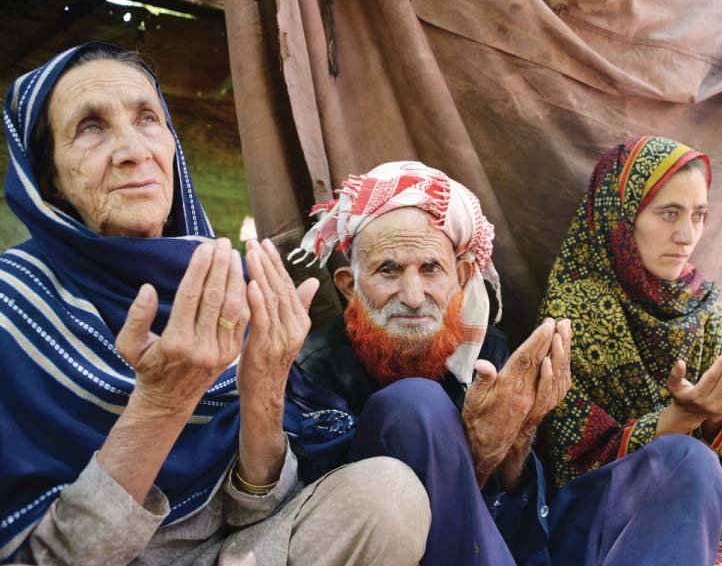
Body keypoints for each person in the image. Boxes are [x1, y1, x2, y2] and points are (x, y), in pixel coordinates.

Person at [0, 43, 430, 565]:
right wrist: (161, 406)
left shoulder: (221, 283)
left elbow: (253, 512)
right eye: (90, 127)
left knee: (388, 494)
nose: (133, 149)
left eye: (147, 119)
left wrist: (264, 389)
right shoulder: (13, 306)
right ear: (48, 179)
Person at [285, 160, 722, 565]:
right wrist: (474, 454)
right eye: (387, 271)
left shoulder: (489, 353)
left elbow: (522, 510)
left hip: (512, 543)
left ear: (459, 278)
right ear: (348, 287)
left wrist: (516, 441)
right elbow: (349, 521)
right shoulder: (315, 368)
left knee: (687, 462)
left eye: (430, 269)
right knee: (414, 405)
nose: (414, 296)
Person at [537, 136, 722, 563]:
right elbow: (570, 466)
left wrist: (718, 412)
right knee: (689, 459)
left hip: (684, 502)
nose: (686, 235)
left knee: (694, 462)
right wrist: (682, 418)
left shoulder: (698, 305)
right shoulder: (574, 309)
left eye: (699, 216)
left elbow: (716, 459)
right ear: (622, 216)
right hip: (587, 515)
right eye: (668, 213)